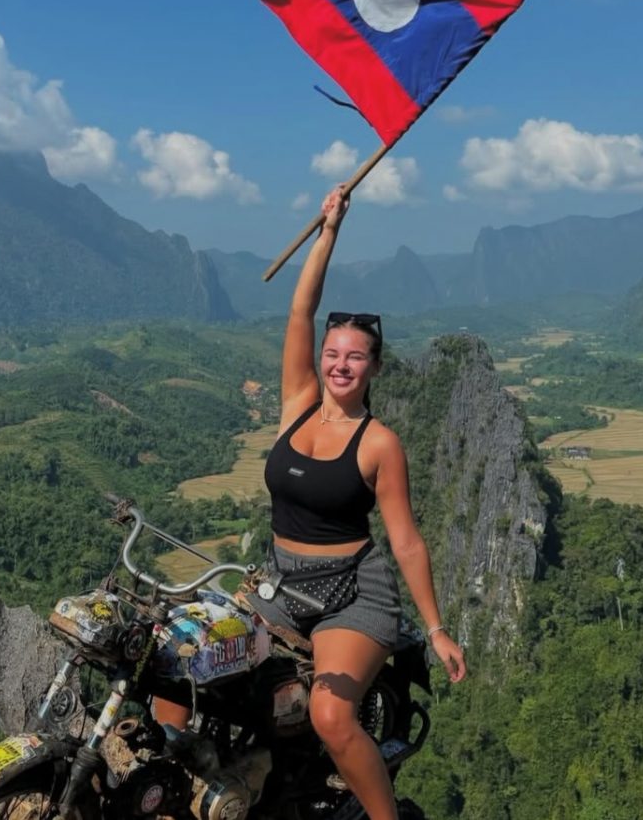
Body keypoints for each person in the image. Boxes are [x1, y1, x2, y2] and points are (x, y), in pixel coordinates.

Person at [254, 185, 466, 820]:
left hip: (353, 591)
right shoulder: (297, 404)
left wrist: (435, 628)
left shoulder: (379, 443)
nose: (340, 365)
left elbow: (405, 540)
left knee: (330, 714)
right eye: (332, 354)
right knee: (186, 671)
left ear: (374, 368)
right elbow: (301, 310)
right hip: (282, 582)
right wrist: (329, 231)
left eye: (355, 357)